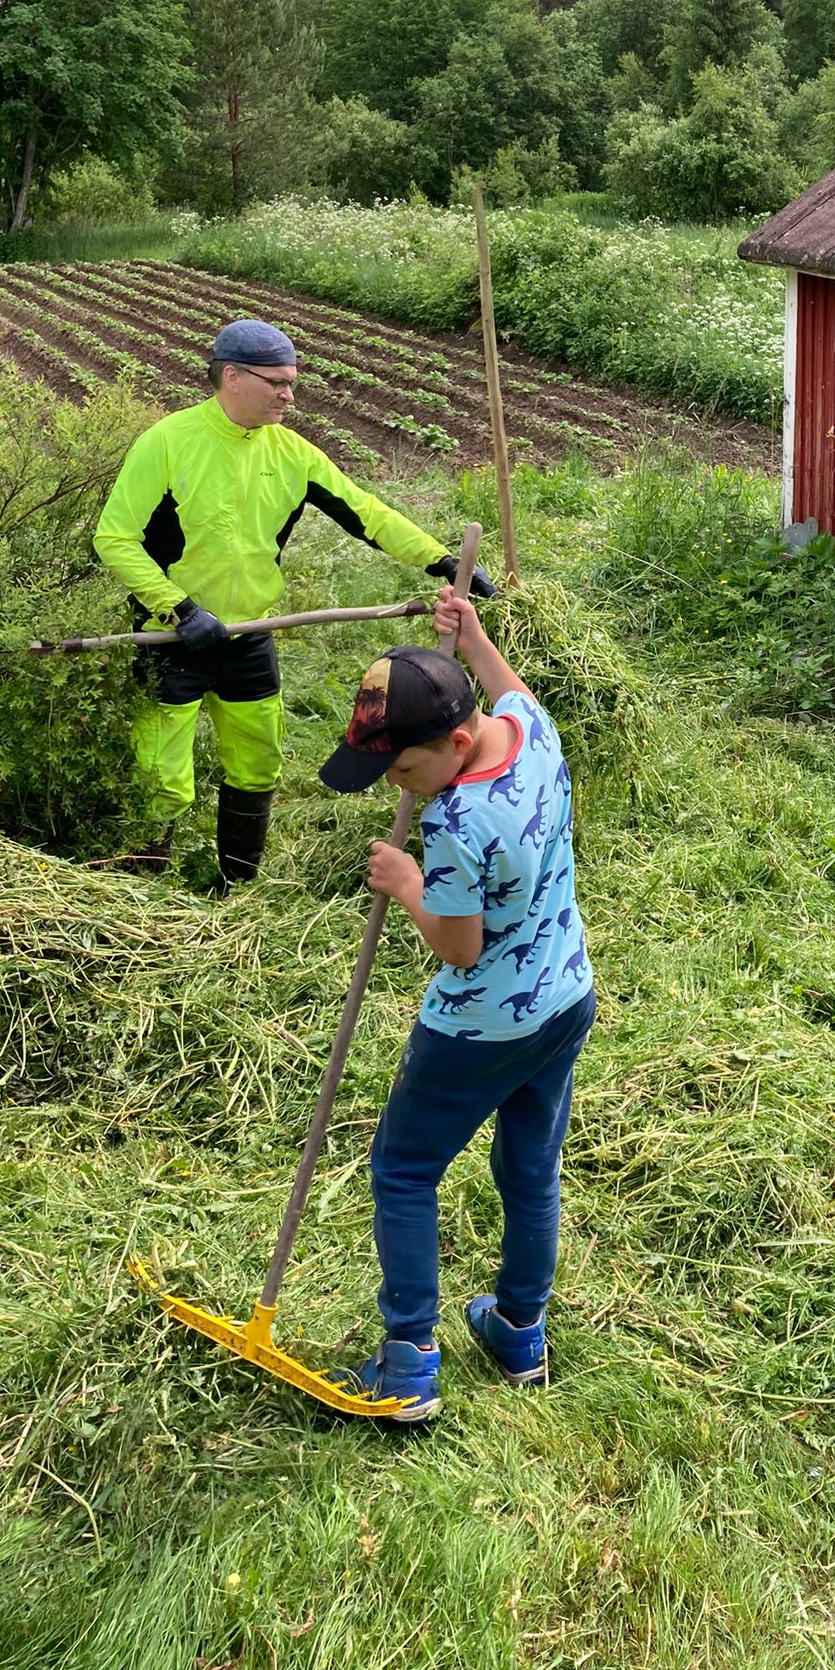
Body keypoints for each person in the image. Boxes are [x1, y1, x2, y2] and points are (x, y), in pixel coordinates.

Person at [316, 588, 595, 1422]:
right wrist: (474, 639)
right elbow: (515, 692)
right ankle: (518, 1332)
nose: (395, 786)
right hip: (564, 999)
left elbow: (460, 945)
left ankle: (407, 1363)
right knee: (530, 1169)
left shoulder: (457, 823)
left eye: (403, 770)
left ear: (457, 742)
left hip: (478, 1027)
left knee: (403, 1170)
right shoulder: (532, 733)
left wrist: (406, 886)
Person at [92, 319, 494, 885]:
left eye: (293, 383)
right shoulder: (167, 442)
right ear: (232, 377)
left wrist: (442, 561)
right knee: (163, 777)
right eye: (276, 382)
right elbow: (114, 538)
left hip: (250, 635)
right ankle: (145, 887)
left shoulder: (293, 453)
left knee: (257, 765)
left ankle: (238, 885)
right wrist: (178, 608)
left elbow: (366, 513)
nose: (288, 394)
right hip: (171, 637)